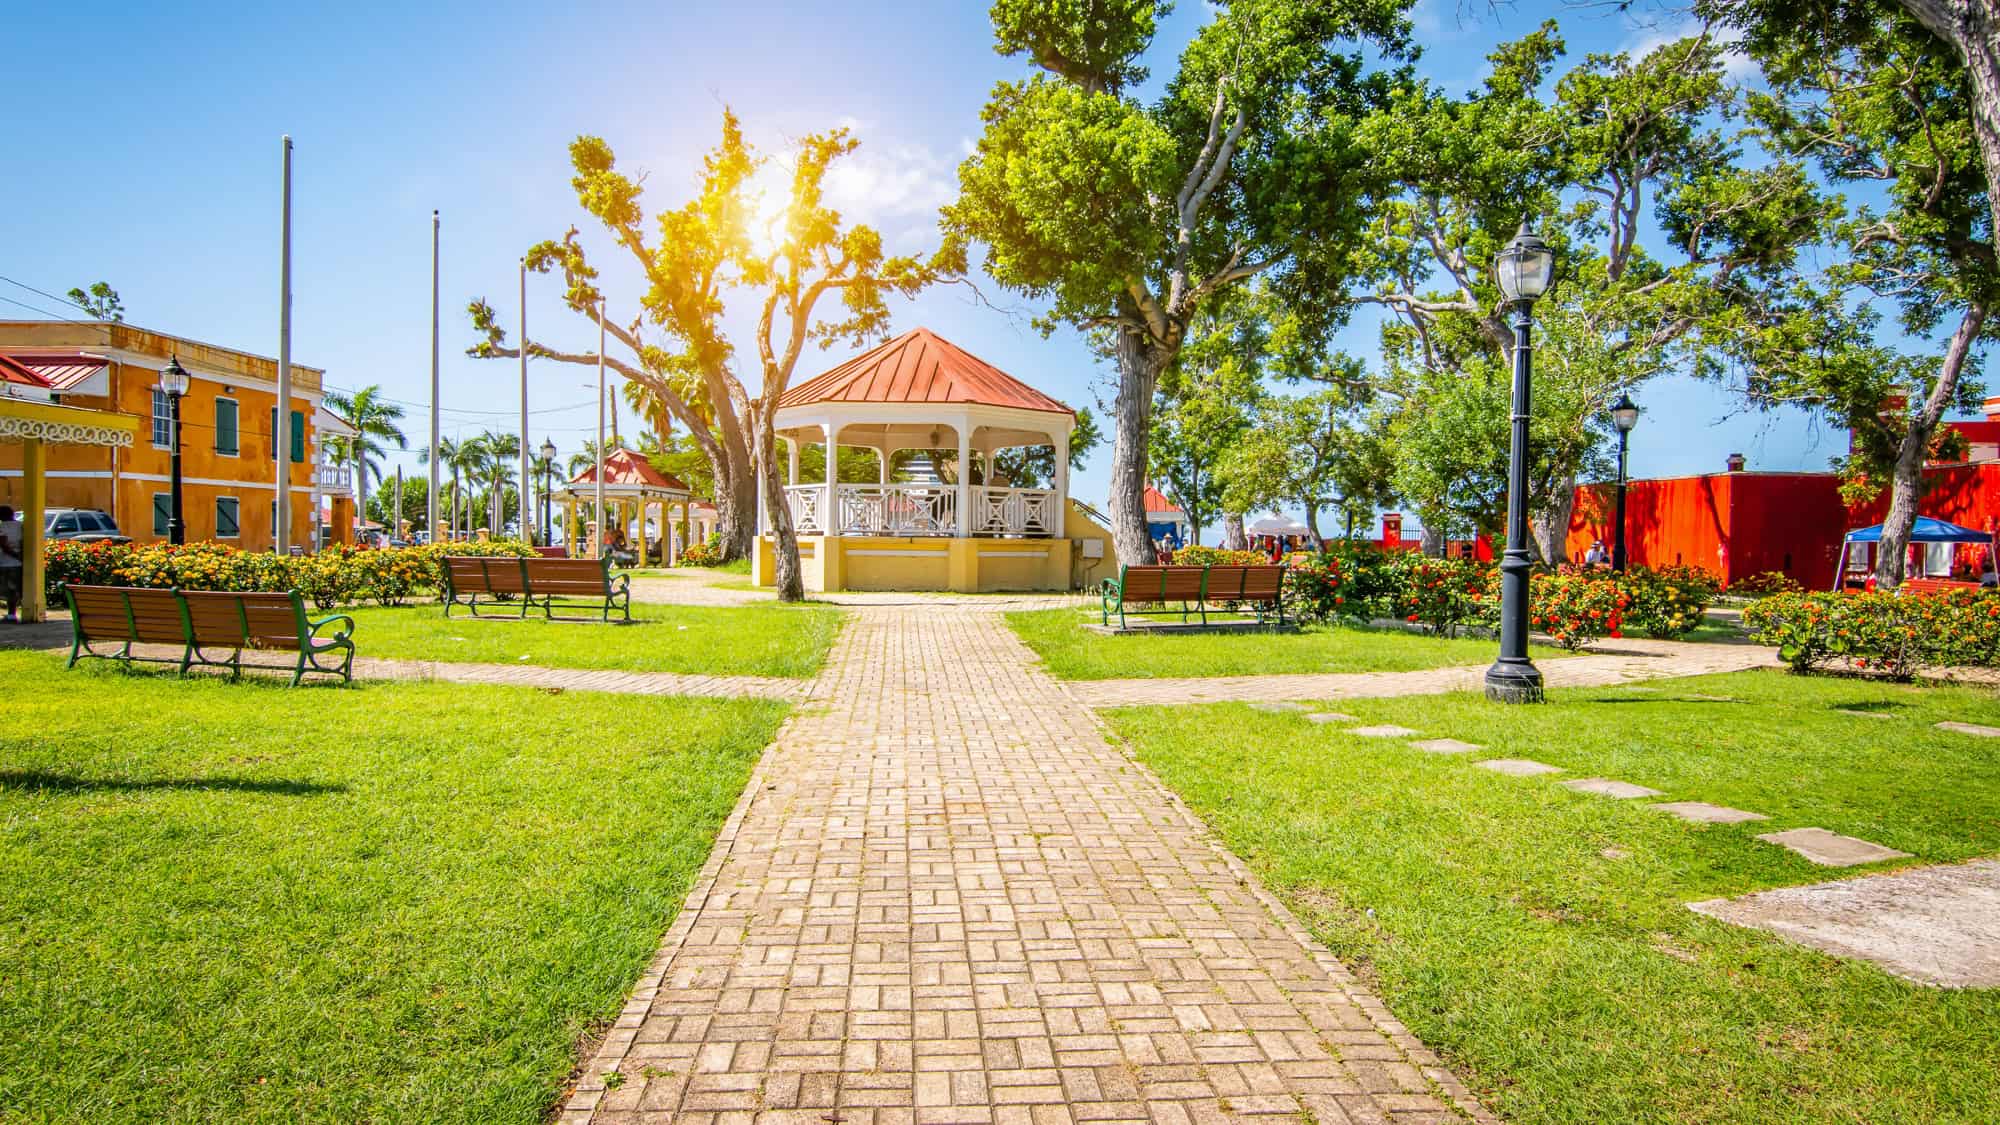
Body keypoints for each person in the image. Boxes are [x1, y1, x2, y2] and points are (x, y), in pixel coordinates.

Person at [0, 505, 22, 622]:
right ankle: (12, 614)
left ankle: (10, 615)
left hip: (5, 563)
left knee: (7, 591)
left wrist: (14, 555)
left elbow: (4, 545)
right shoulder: (20, 525)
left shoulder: (2, 526)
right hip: (17, 563)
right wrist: (20, 556)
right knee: (13, 590)